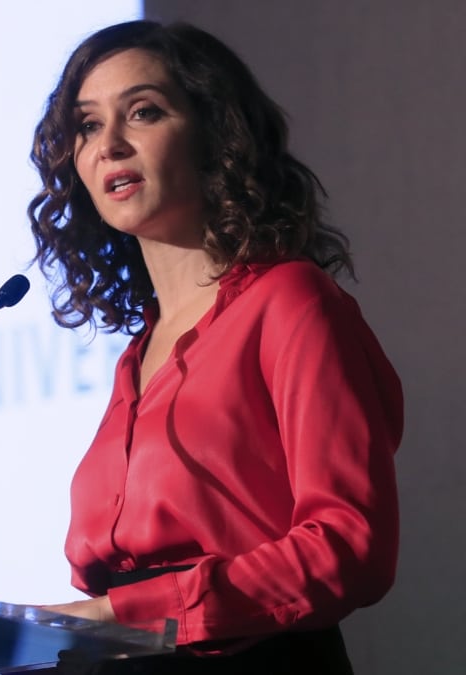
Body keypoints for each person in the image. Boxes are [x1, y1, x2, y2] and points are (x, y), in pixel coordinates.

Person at [26, 20, 402, 674]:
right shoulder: (135, 356)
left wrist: (132, 612)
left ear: (214, 136)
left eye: (143, 112)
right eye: (87, 126)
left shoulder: (290, 300)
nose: (109, 144)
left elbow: (348, 544)